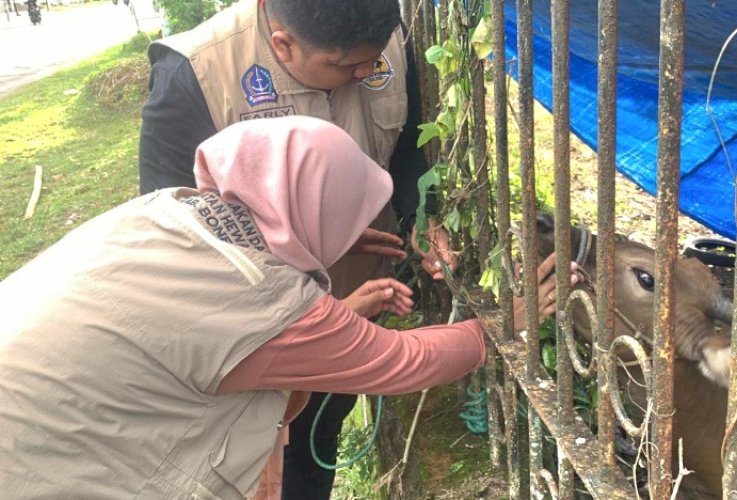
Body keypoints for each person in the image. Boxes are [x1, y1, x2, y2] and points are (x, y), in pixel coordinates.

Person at [0, 117, 569, 499]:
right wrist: (505, 324)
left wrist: (330, 238)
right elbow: (404, 361)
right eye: (345, 211)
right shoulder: (262, 297)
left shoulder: (171, 211)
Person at [138, 1, 455, 497]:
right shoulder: (196, 73)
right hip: (254, 336)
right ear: (282, 42)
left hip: (353, 291)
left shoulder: (378, 36)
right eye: (345, 65)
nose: (367, 73)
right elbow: (180, 238)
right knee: (260, 460)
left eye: (374, 61)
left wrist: (421, 214)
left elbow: (410, 149)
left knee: (316, 437)